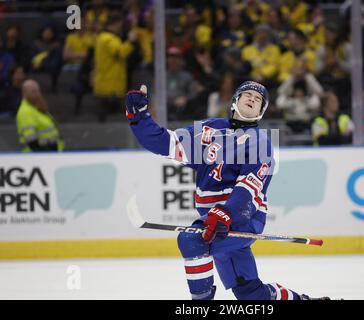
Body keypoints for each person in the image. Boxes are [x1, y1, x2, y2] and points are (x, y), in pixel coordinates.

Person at [124, 81, 329, 300]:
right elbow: (166, 143)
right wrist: (140, 118)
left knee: (191, 240)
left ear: (261, 111)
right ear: (235, 101)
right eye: (247, 94)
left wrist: (226, 212)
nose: (252, 99)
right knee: (250, 294)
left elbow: (248, 188)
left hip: (243, 218)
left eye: (258, 99)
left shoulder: (261, 141)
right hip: (213, 219)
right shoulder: (208, 129)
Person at [16, 79, 64, 152]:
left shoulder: (37, 108)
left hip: (50, 153)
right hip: (39, 155)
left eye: (38, 91)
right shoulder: (26, 112)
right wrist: (44, 155)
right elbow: (31, 141)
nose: (38, 94)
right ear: (24, 93)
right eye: (33, 91)